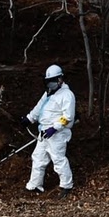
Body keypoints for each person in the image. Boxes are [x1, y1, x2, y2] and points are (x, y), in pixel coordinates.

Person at [21, 64, 77, 196]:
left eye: (52, 81)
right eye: (48, 81)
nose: (50, 84)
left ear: (60, 79)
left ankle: (66, 185)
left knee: (58, 159)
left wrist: (54, 128)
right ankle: (34, 185)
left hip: (57, 134)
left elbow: (68, 117)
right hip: (44, 133)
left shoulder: (67, 95)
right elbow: (39, 107)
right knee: (38, 158)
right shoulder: (48, 93)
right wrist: (29, 118)